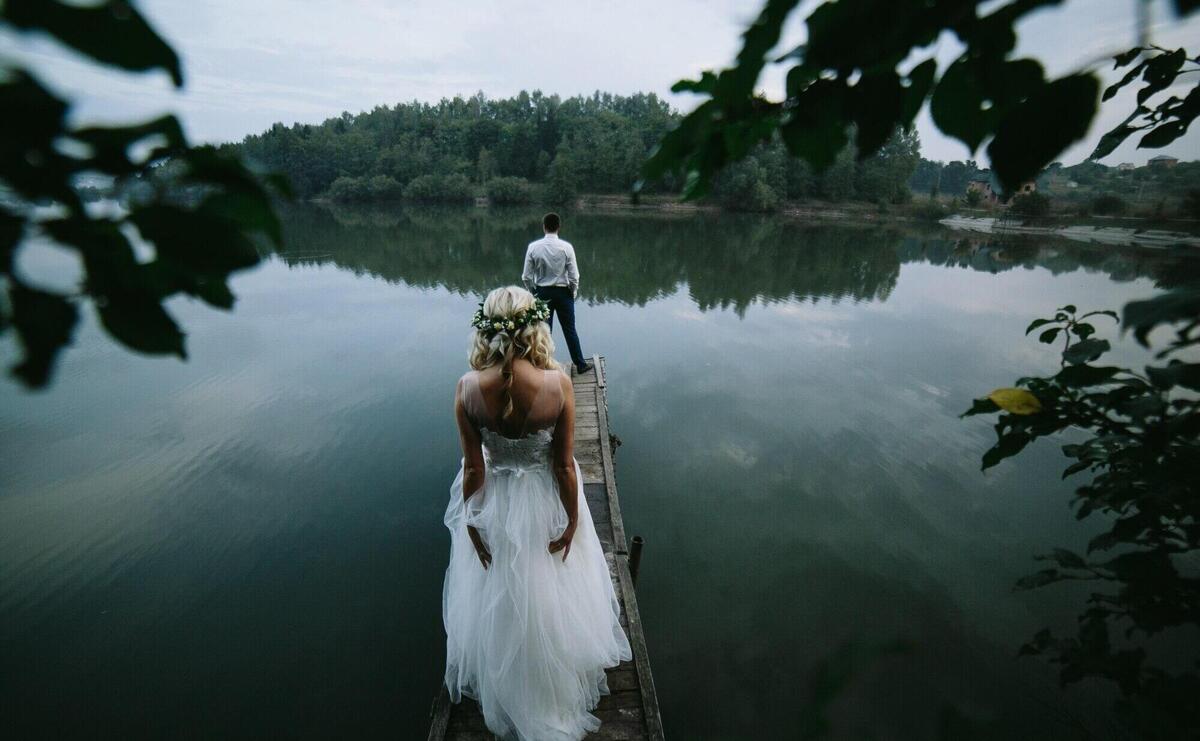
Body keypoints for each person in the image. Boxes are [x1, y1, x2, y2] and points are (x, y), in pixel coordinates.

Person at [442, 286, 631, 740]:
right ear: (536, 326)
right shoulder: (558, 383)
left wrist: (473, 519)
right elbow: (565, 466)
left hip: (499, 500)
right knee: (552, 586)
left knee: (505, 588)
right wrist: (571, 521)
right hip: (545, 497)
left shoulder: (468, 387)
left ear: (485, 328)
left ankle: (510, 681)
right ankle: (551, 680)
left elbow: (473, 468)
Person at [522, 212, 592, 374]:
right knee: (570, 330)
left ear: (544, 227)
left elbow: (526, 276)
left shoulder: (533, 247)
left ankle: (543, 365)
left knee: (544, 332)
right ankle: (580, 364)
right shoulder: (567, 247)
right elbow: (574, 276)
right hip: (563, 293)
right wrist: (572, 292)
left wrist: (532, 292)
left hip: (542, 292)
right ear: (559, 227)